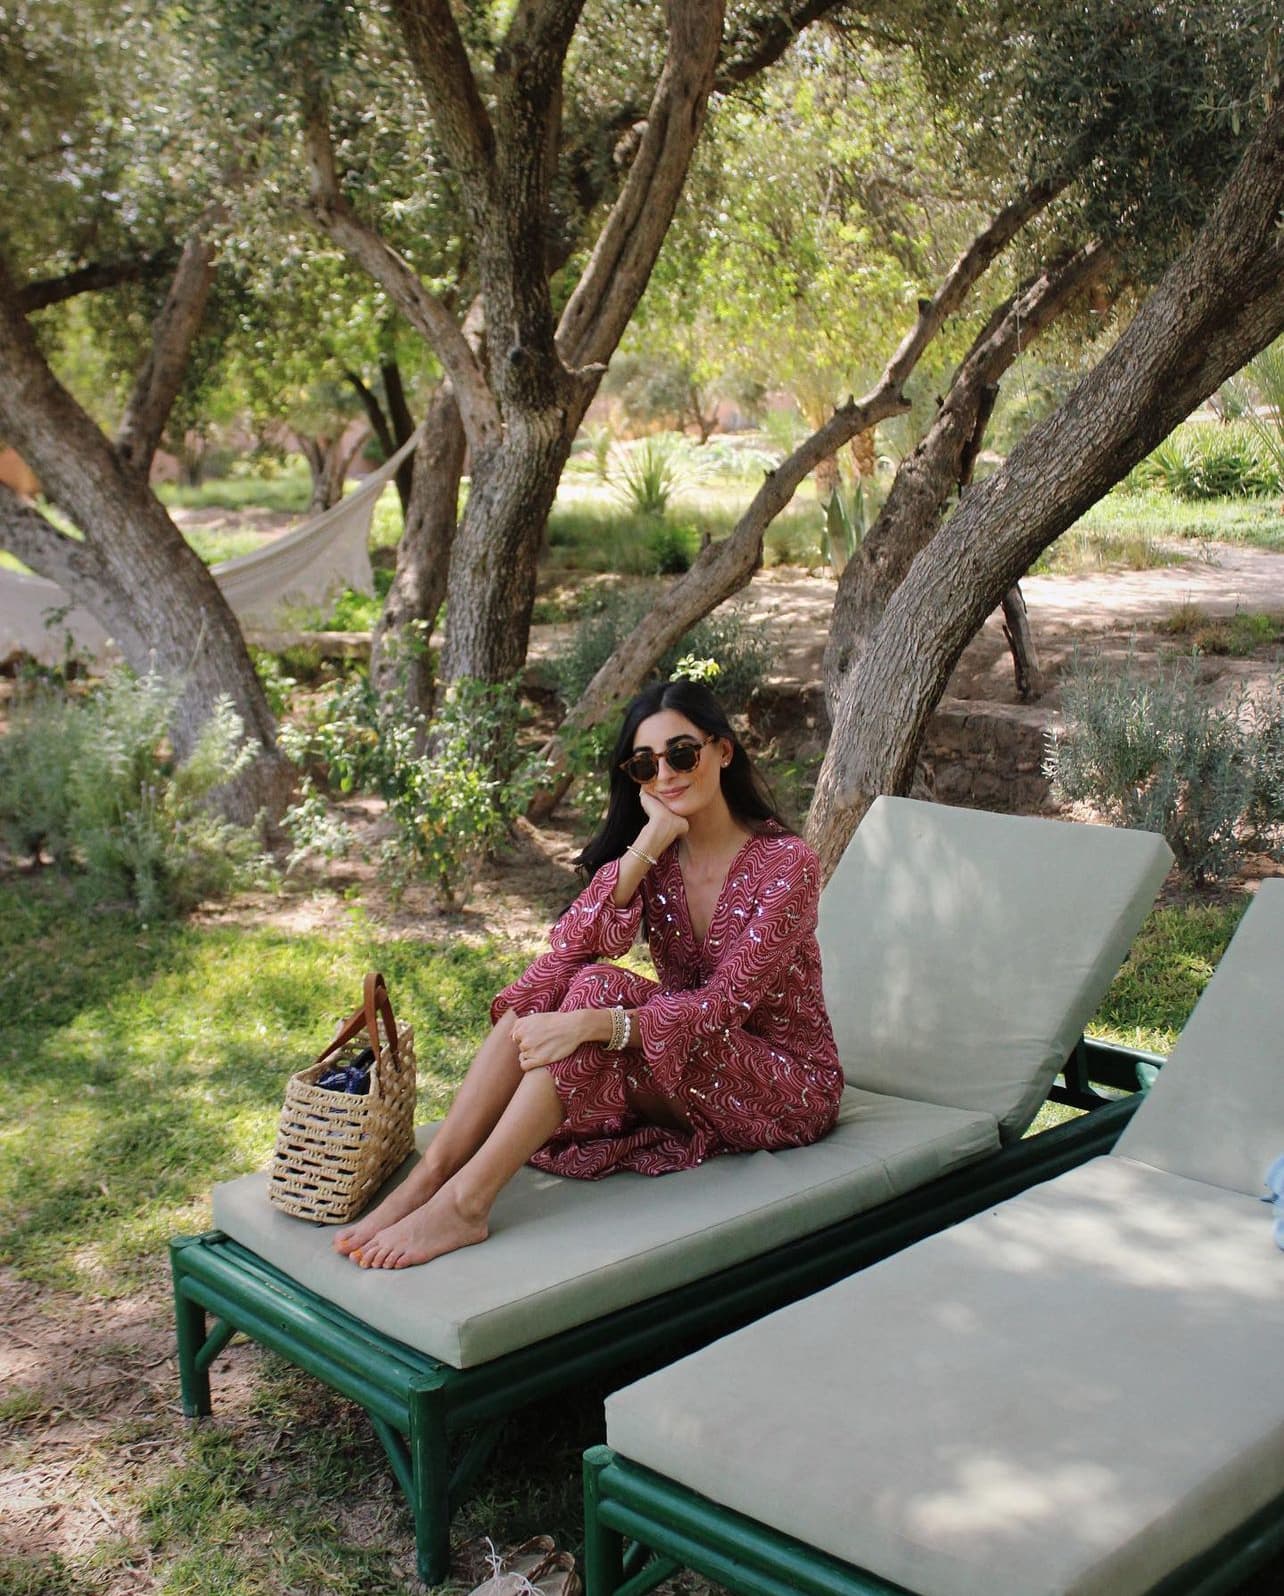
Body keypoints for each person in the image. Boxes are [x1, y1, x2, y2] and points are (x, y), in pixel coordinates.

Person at [335, 678, 843, 1270]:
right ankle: (436, 1174)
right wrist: (648, 842)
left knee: (596, 993)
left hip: (784, 1086)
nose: (666, 776)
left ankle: (467, 1204)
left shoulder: (789, 865)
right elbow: (570, 946)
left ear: (722, 751)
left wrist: (595, 1025)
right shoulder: (660, 857)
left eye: (682, 754)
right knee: (567, 978)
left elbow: (722, 1007)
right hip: (683, 1059)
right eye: (644, 766)